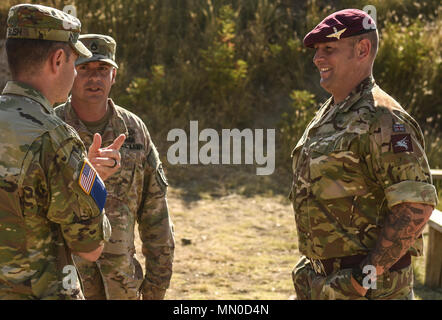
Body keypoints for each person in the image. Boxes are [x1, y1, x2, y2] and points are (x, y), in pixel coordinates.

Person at [290, 9, 438, 300]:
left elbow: (415, 206)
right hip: (324, 283)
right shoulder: (331, 112)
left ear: (362, 49)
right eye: (317, 51)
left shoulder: (383, 117)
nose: (317, 58)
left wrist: (364, 278)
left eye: (328, 49)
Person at [0, 4, 124, 299]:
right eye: (75, 62)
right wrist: (91, 177)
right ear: (58, 60)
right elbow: (90, 247)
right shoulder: (55, 139)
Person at [55, 34, 175, 300]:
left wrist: (156, 286)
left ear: (114, 76)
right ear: (69, 72)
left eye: (102, 69)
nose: (94, 78)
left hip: (122, 282)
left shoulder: (133, 129)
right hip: (67, 281)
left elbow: (155, 210)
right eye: (83, 68)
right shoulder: (52, 129)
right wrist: (84, 174)